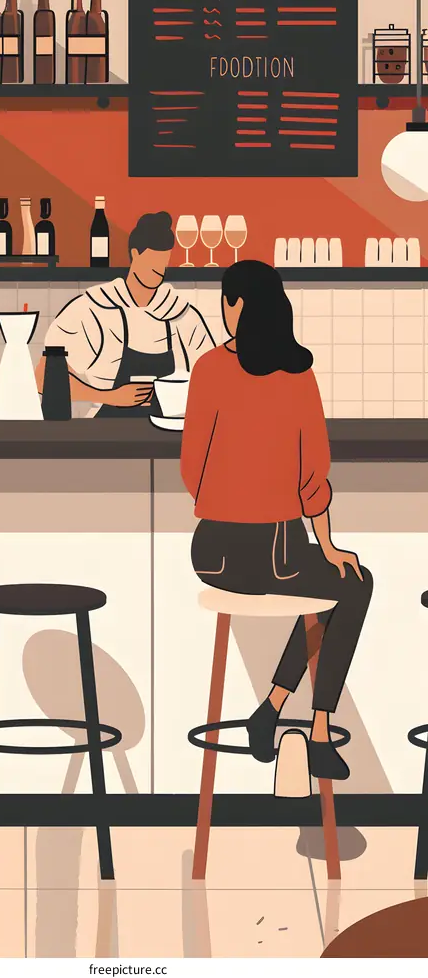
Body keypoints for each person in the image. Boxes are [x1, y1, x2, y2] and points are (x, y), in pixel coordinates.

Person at [180, 260, 373, 781]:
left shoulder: (208, 368)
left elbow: (190, 468)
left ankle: (269, 711)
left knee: (331, 589)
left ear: (238, 305)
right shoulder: (298, 374)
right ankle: (315, 729)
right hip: (277, 557)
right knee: (352, 584)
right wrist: (327, 546)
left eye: (226, 302)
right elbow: (314, 479)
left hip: (210, 555)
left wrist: (227, 499)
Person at [37, 211, 214, 417]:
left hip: (168, 428)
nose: (159, 269)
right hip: (106, 431)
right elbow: (42, 378)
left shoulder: (182, 316)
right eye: (152, 260)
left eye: (164, 261)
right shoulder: (94, 309)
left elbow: (213, 380)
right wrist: (110, 396)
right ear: (135, 253)